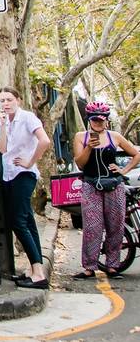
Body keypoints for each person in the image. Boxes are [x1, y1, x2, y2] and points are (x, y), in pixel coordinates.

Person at [72, 102, 140, 280]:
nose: (98, 123)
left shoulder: (115, 137)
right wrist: (89, 147)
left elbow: (136, 154)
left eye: (101, 120)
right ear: (89, 120)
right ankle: (89, 266)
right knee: (92, 227)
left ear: (107, 121)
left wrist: (124, 171)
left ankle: (112, 266)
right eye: (94, 120)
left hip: (114, 186)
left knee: (115, 226)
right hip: (91, 185)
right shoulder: (81, 137)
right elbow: (80, 163)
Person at [0, 86, 51, 289]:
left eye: (9, 99)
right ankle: (33, 268)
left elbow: (44, 140)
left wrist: (30, 161)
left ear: (18, 100)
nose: (6, 103)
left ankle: (38, 272)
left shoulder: (27, 118)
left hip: (24, 174)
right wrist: (2, 126)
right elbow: (3, 149)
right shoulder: (7, 122)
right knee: (27, 220)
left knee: (17, 221)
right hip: (9, 174)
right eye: (2, 100)